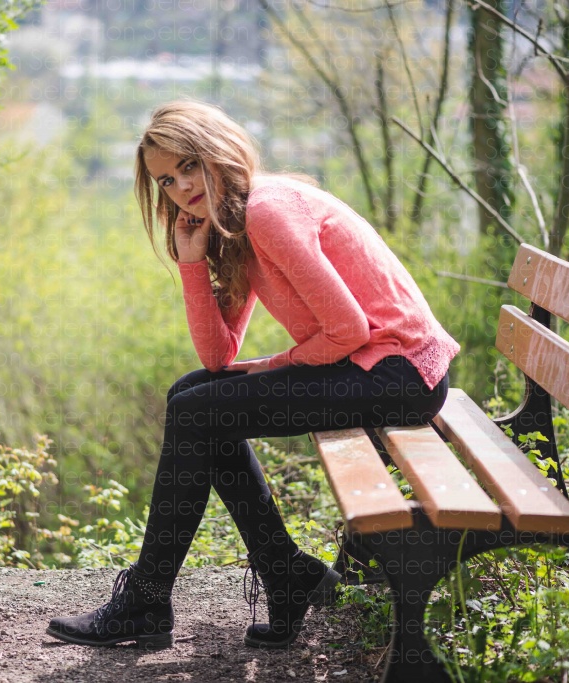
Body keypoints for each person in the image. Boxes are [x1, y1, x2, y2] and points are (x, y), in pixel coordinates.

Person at [46, 100, 460, 650]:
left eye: (189, 166)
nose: (181, 188)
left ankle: (151, 597)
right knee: (191, 394)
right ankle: (284, 573)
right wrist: (192, 261)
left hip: (399, 373)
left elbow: (348, 328)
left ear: (216, 150)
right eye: (166, 181)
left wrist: (273, 363)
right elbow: (217, 357)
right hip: (368, 366)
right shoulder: (235, 222)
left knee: (197, 412)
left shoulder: (268, 210)